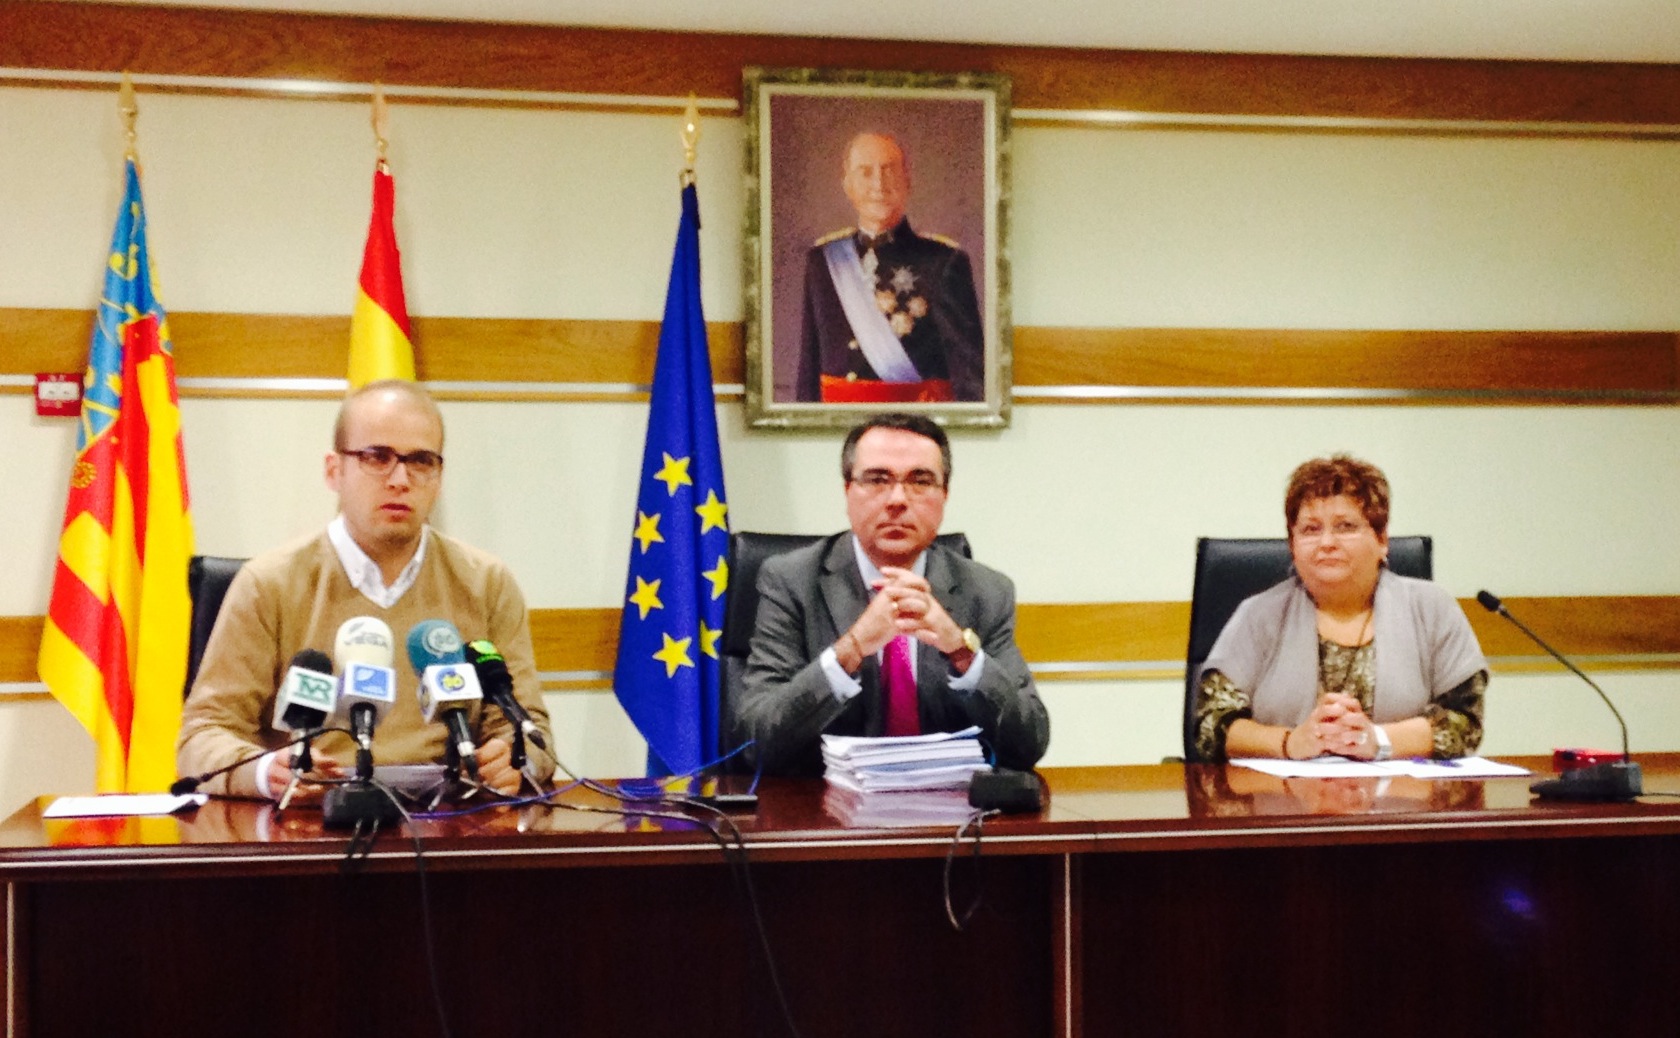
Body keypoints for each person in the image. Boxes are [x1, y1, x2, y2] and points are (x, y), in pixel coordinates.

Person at [176, 380, 554, 800]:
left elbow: (529, 729)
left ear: (439, 477)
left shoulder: (486, 583)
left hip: (450, 815)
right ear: (334, 470)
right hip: (311, 819)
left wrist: (515, 759)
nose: (400, 479)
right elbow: (203, 735)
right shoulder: (269, 584)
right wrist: (267, 772)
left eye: (421, 461)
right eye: (377, 457)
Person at [736, 412, 1049, 775]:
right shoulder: (791, 582)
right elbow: (755, 741)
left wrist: (961, 652)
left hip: (945, 805)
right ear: (847, 491)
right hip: (824, 804)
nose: (897, 499)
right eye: (877, 479)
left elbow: (1029, 742)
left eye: (920, 481)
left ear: (944, 496)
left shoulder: (985, 591)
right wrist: (851, 649)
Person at [1192, 455, 1487, 763]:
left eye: (1345, 527)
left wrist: (1378, 740)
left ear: (1382, 539)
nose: (1327, 542)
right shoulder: (1258, 615)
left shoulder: (1432, 609)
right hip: (1282, 791)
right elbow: (1210, 727)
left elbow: (1465, 722)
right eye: (1310, 529)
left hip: (1403, 790)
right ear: (1292, 545)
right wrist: (1290, 742)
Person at [795, 132, 985, 404]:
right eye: (865, 172)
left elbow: (970, 379)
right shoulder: (822, 262)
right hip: (837, 423)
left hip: (913, 422)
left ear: (907, 181)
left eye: (889, 170)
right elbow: (809, 374)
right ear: (847, 185)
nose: (879, 184)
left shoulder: (944, 261)